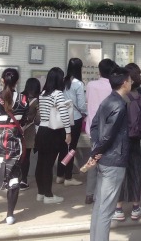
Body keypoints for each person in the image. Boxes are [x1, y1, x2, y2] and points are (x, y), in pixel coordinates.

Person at [86, 67, 131, 241]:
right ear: (125, 83)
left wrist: (96, 151)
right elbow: (109, 134)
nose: (131, 84)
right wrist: (98, 151)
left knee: (99, 206)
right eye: (130, 81)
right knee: (106, 210)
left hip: (104, 159)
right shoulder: (119, 105)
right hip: (114, 160)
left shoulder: (107, 101)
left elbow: (94, 127)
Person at [0, 68, 28, 227]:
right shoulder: (23, 100)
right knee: (13, 179)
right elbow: (23, 121)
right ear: (17, 81)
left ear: (2, 80)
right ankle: (10, 216)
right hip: (13, 143)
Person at [35, 67, 71, 204]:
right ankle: (48, 196)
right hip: (52, 132)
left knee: (41, 163)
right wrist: (68, 132)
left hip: (42, 131)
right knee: (48, 165)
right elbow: (64, 114)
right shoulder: (58, 94)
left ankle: (41, 193)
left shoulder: (42, 94)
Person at [114, 63, 141, 221]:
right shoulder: (139, 94)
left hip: (120, 139)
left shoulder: (119, 95)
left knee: (119, 173)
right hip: (135, 138)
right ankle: (135, 208)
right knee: (135, 172)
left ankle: (118, 209)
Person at [85, 58, 116, 204]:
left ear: (99, 71)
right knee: (106, 163)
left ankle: (89, 194)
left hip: (93, 129)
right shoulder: (113, 87)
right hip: (109, 129)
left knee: (93, 160)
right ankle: (100, 195)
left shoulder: (91, 85)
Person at [56, 58, 87, 187]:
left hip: (62, 118)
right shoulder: (78, 84)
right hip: (75, 118)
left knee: (63, 147)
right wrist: (87, 112)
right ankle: (68, 177)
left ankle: (60, 175)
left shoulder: (63, 81)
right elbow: (81, 104)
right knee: (72, 148)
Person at [20, 78, 41, 191]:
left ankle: (11, 178)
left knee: (16, 155)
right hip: (28, 132)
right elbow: (38, 119)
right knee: (26, 156)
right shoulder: (36, 100)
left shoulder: (19, 97)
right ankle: (23, 180)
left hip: (16, 130)